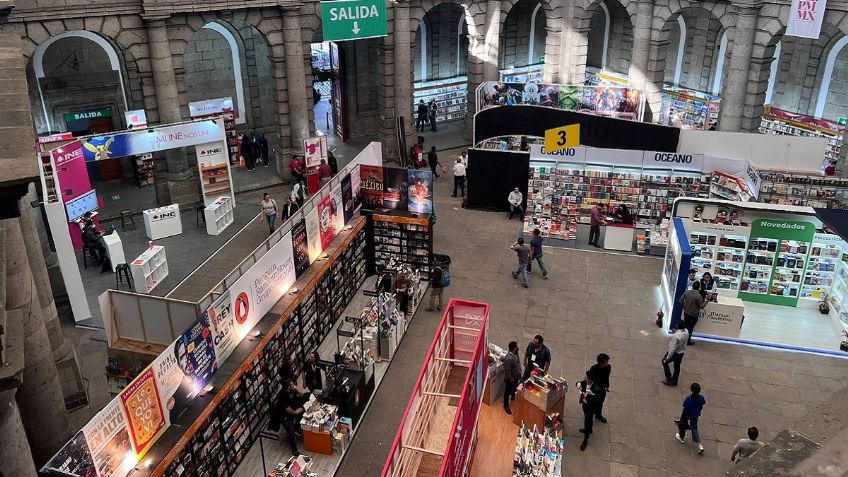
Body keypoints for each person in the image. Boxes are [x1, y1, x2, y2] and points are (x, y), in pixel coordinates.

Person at [276, 379, 308, 456]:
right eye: (292, 385)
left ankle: (297, 427)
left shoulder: (292, 389)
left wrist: (296, 389)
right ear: (288, 387)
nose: (294, 385)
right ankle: (294, 451)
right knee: (291, 432)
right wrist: (296, 412)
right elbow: (288, 410)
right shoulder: (283, 395)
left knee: (306, 398)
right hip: (284, 416)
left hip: (293, 408)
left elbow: (301, 395)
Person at [676, 382, 706, 455]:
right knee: (694, 427)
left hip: (688, 414)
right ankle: (699, 444)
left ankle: (681, 437)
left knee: (683, 425)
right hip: (695, 414)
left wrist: (682, 418)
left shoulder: (688, 399)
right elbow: (701, 406)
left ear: (691, 390)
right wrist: (698, 411)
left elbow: (685, 409)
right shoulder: (701, 398)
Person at [577, 378, 604, 451]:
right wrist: (578, 384)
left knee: (587, 422)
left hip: (591, 408)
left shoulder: (596, 388)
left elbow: (597, 399)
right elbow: (579, 383)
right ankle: (589, 430)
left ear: (591, 380)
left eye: (586, 378)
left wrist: (587, 396)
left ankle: (585, 440)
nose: (585, 379)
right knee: (588, 419)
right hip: (585, 405)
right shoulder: (585, 382)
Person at [662, 320, 688, 386]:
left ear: (677, 326)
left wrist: (668, 358)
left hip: (675, 353)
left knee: (664, 362)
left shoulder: (676, 336)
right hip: (681, 352)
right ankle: (675, 380)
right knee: (677, 367)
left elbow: (672, 349)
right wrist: (676, 331)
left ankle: (668, 379)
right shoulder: (686, 331)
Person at [585, 353, 611, 423]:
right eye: (606, 362)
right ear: (601, 363)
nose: (607, 363)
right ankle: (590, 415)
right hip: (595, 390)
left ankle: (598, 415)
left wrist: (606, 386)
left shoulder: (608, 367)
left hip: (602, 389)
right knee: (592, 405)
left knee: (600, 403)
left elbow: (606, 377)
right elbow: (590, 380)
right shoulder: (594, 369)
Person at [501, 341, 522, 415]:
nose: (518, 348)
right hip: (510, 379)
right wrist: (512, 380)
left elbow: (518, 362)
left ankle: (513, 397)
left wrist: (519, 368)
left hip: (516, 377)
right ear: (514, 348)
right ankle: (506, 405)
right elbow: (508, 371)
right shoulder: (509, 359)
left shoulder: (516, 354)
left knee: (514, 389)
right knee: (507, 391)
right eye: (517, 347)